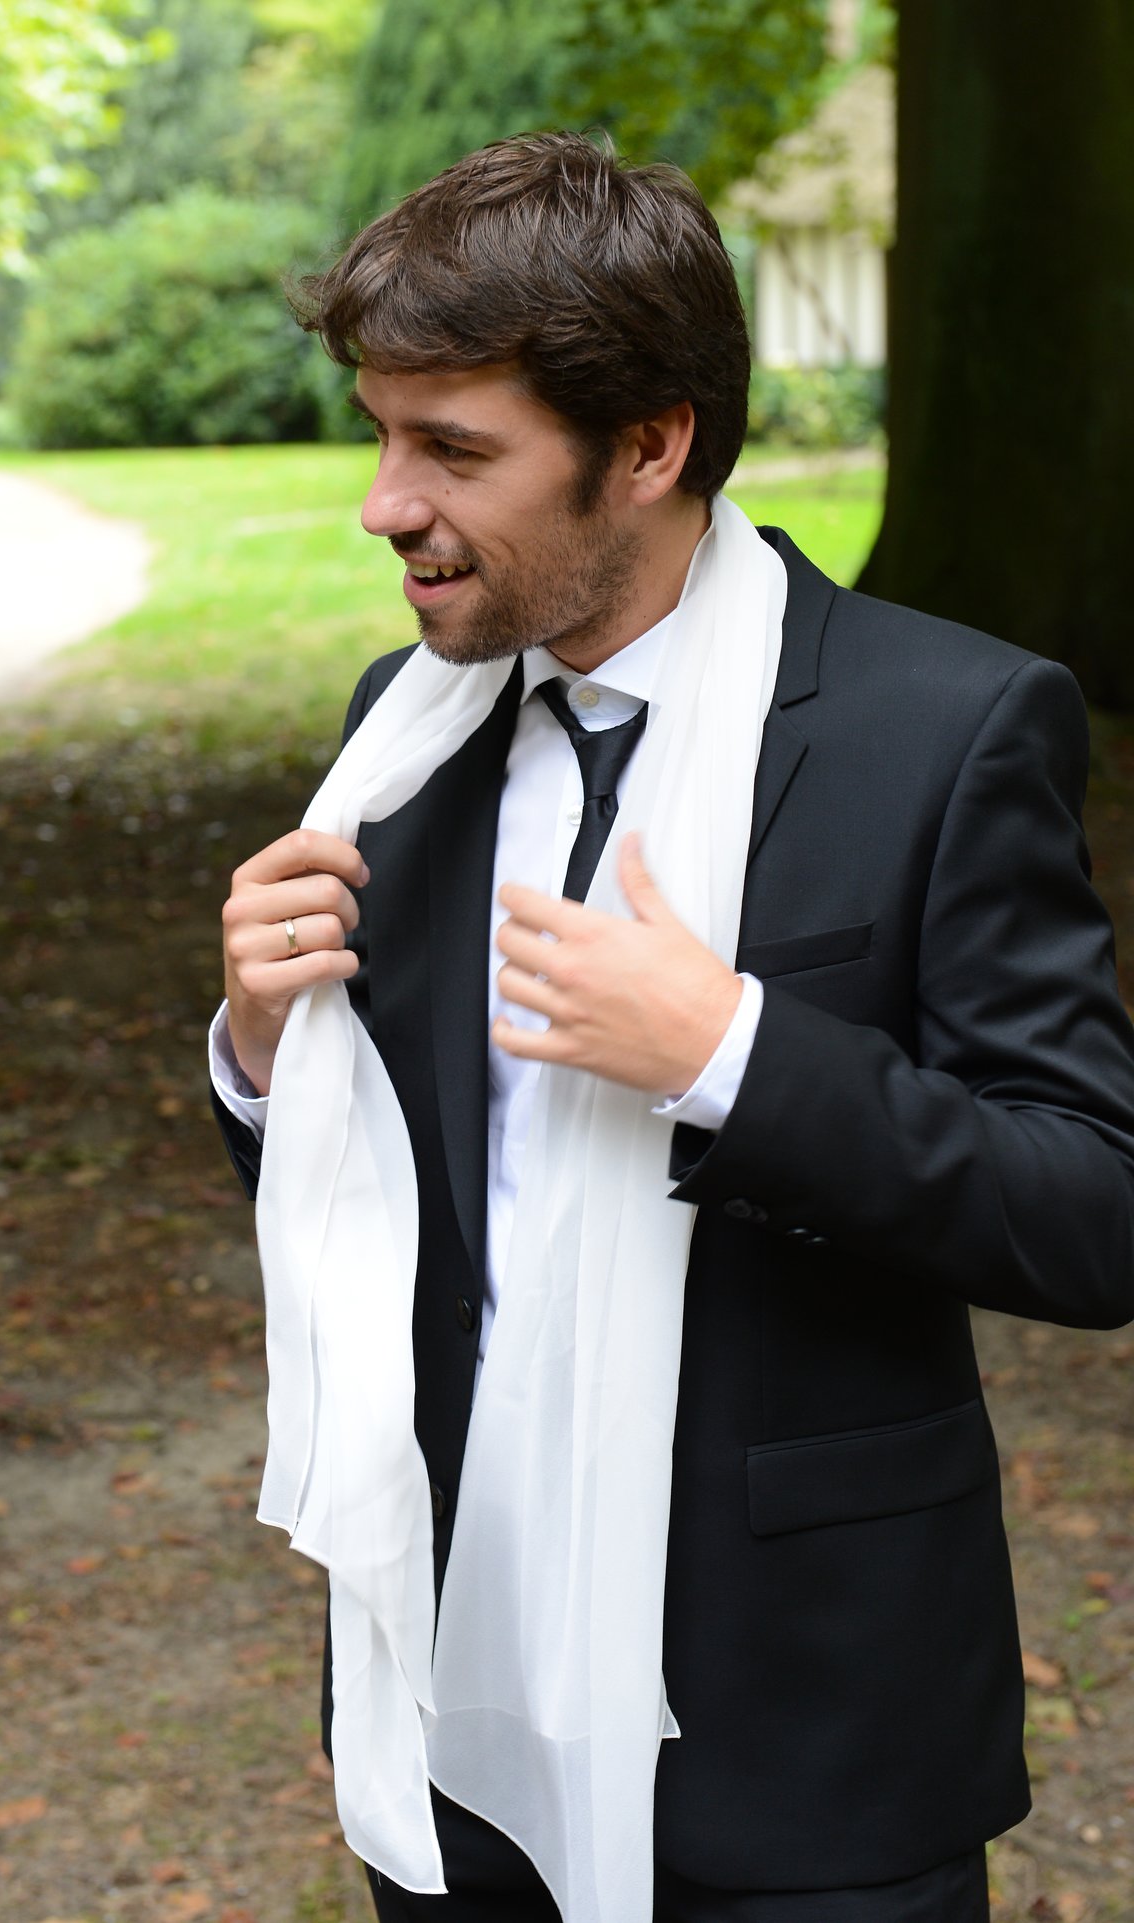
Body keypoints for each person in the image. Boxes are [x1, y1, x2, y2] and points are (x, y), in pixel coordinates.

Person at [208, 132, 1134, 1923]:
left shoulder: (946, 728)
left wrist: (734, 1053)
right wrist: (260, 1045)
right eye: (382, 437)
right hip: (454, 1679)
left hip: (805, 1731)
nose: (386, 505)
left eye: (454, 451)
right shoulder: (399, 726)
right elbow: (376, 1171)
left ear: (649, 446)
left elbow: (1093, 1207)